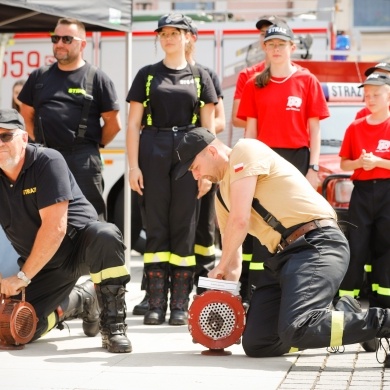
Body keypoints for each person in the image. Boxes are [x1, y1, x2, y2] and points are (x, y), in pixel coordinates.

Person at [175, 126, 389, 359]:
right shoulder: (221, 198)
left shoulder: (245, 150)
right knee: (259, 343)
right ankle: (345, 314)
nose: (196, 176)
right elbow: (232, 261)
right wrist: (220, 298)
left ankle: (384, 322)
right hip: (283, 257)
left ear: (211, 152)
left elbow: (240, 221)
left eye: (195, 167)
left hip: (317, 243)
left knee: (297, 328)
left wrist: (219, 265)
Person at [0, 109, 131, 353]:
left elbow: (55, 228)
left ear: (24, 139)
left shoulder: (47, 161)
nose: (0, 143)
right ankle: (79, 300)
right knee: (16, 330)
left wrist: (21, 278)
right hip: (41, 264)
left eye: (6, 136)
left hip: (78, 247)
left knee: (106, 235)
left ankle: (114, 327)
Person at [126, 13, 217, 326]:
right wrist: (134, 166)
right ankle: (155, 303)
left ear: (188, 37)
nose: (168, 38)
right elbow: (133, 124)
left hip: (189, 153)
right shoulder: (147, 75)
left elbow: (208, 129)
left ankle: (179, 304)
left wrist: (206, 172)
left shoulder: (201, 75)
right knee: (156, 228)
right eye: (163, 33)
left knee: (183, 226)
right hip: (153, 147)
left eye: (175, 33)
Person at [237, 21, 328, 304]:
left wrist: (313, 168)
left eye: (281, 44)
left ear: (292, 47)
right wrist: (245, 167)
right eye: (271, 44)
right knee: (264, 227)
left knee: (296, 225)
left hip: (297, 160)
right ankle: (257, 296)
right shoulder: (255, 84)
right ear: (264, 47)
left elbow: (315, 130)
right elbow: (250, 131)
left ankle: (295, 291)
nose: (276, 49)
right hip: (265, 160)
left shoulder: (307, 81)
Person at [18, 17, 121, 221]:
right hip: (46, 155)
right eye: (55, 38)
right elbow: (26, 114)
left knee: (90, 218)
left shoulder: (97, 78)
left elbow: (113, 124)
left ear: (82, 44)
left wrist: (92, 146)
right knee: (46, 215)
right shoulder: (39, 76)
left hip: (83, 158)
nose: (59, 44)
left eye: (66, 39)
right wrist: (39, 145)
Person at [338, 73, 390, 315]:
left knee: (385, 248)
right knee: (356, 248)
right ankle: (347, 305)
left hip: (387, 193)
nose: (370, 99)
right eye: (367, 95)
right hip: (362, 193)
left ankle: (383, 306)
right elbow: (344, 164)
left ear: (388, 96)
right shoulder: (355, 127)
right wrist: (360, 162)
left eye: (376, 95)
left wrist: (378, 161)